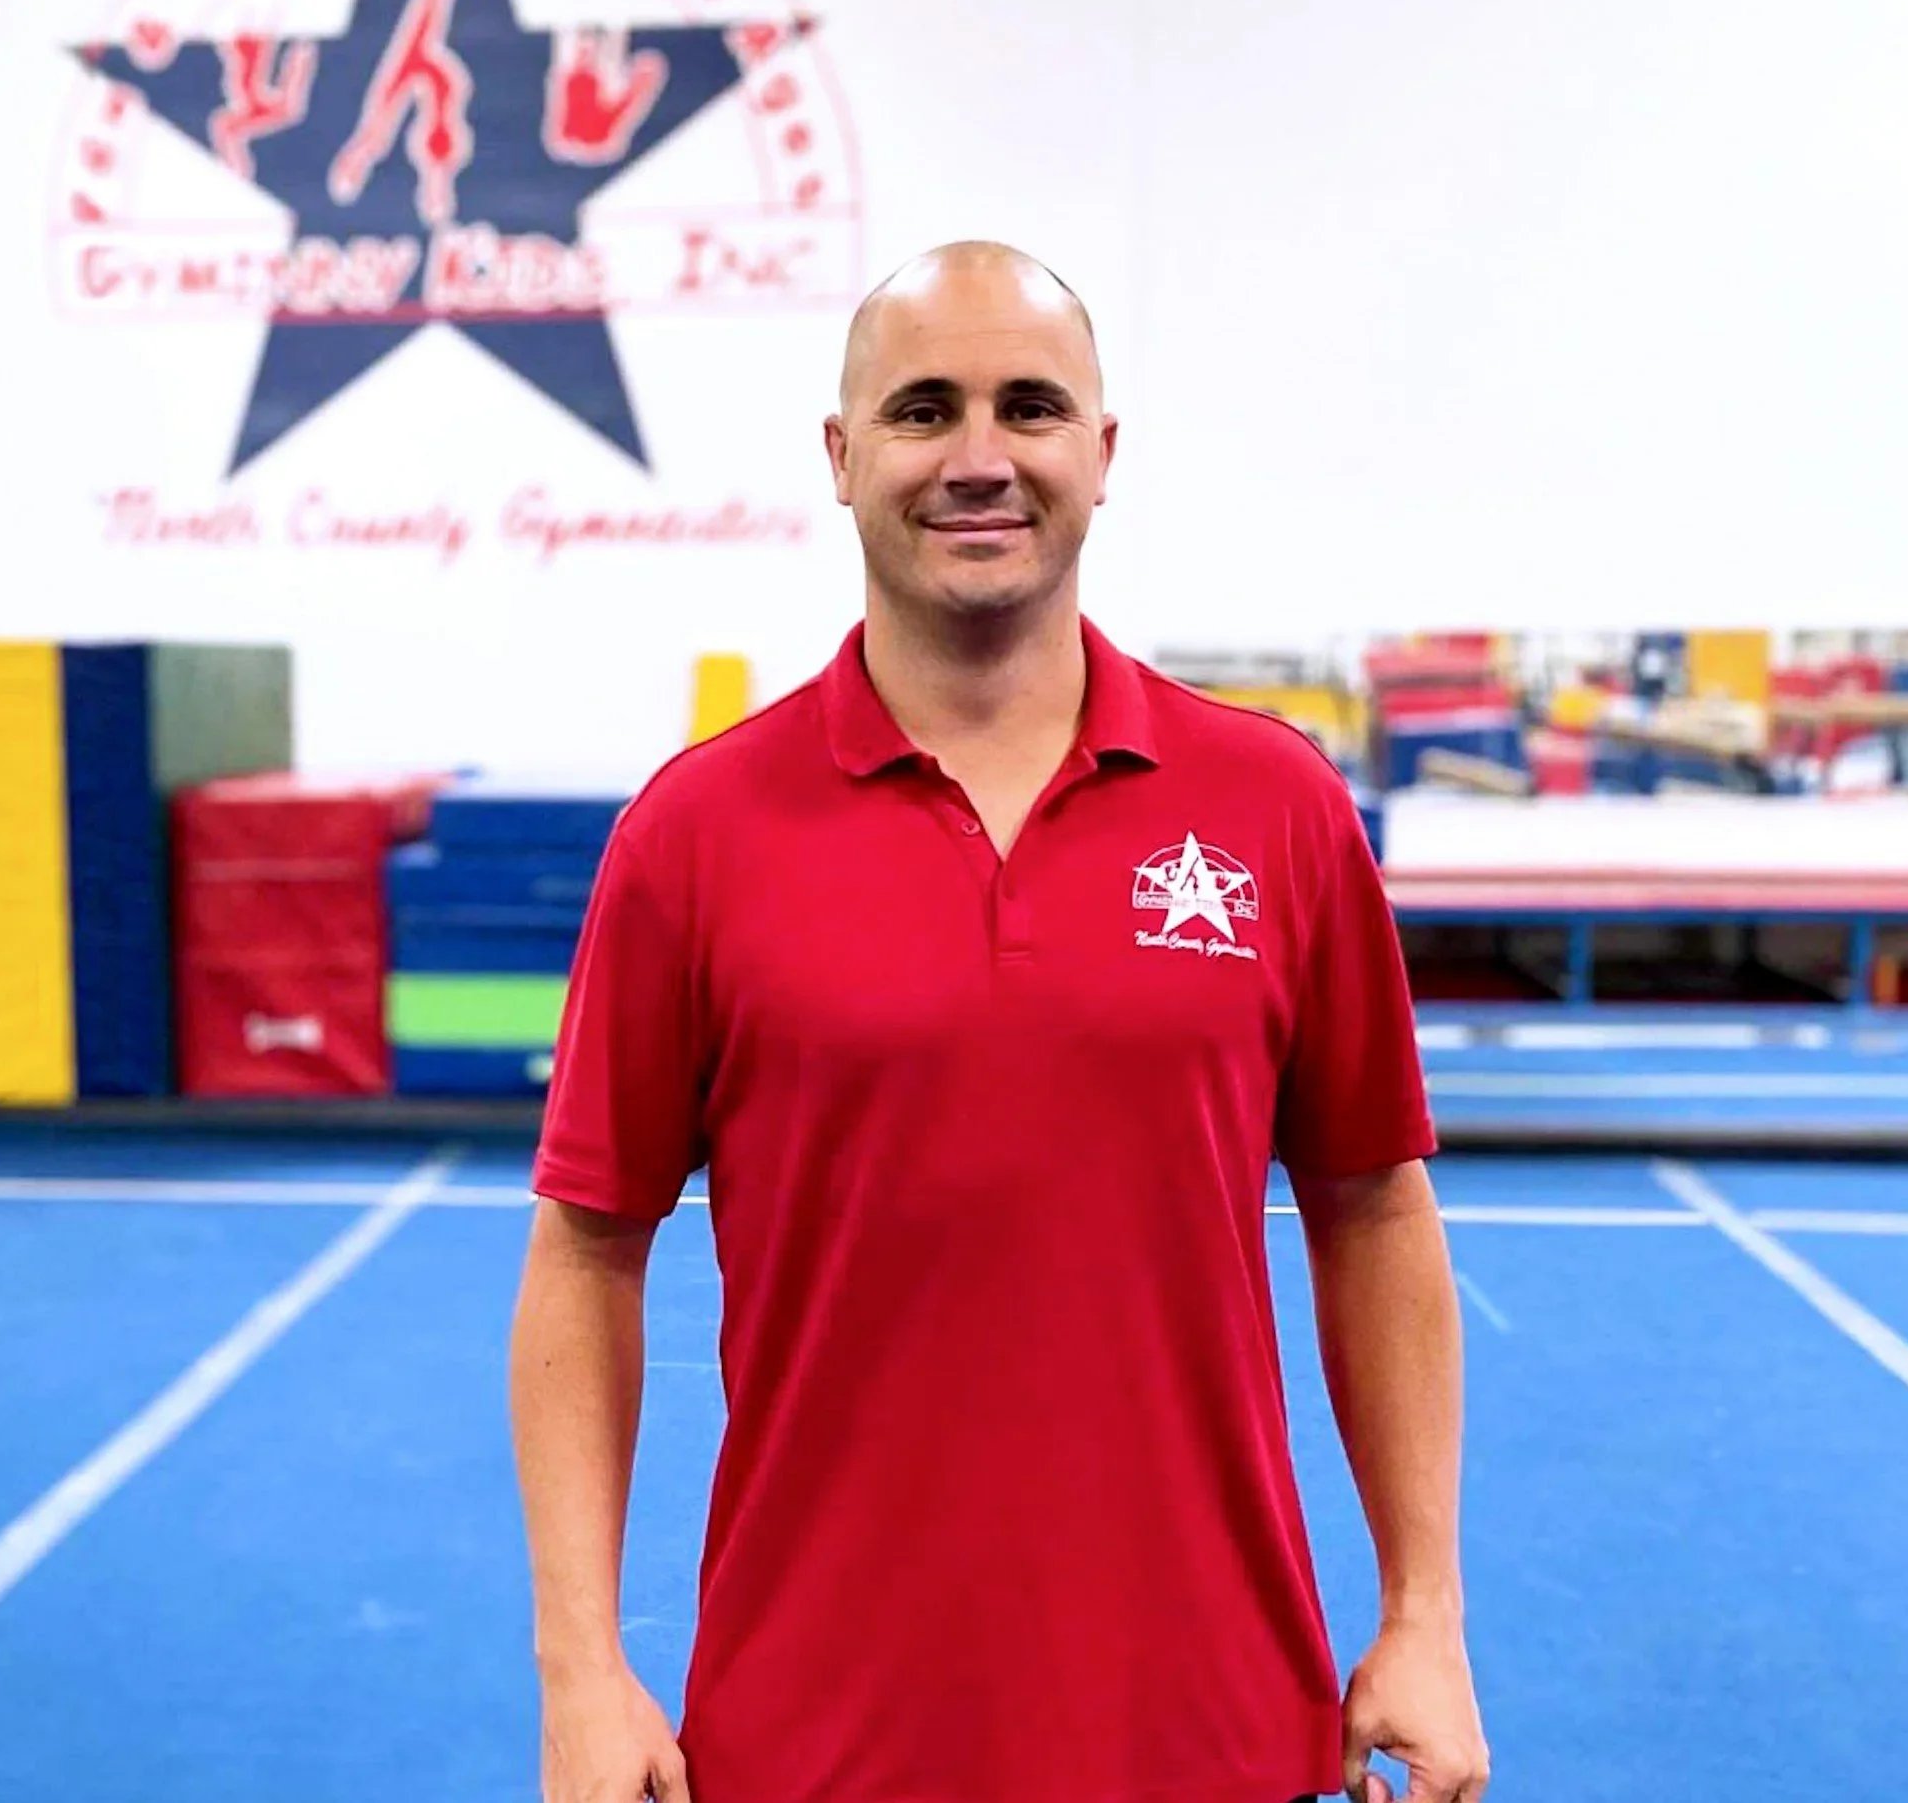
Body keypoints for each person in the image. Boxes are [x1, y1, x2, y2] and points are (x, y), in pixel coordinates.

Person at [509, 241, 1490, 1803]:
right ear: (841, 459)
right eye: (922, 410)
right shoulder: (695, 836)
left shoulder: (1279, 810)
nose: (980, 459)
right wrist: (581, 1669)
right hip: (812, 1734)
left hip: (1212, 1723)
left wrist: (1424, 1613)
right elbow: (585, 1250)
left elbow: (1373, 1205)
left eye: (1031, 407)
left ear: (1104, 454)